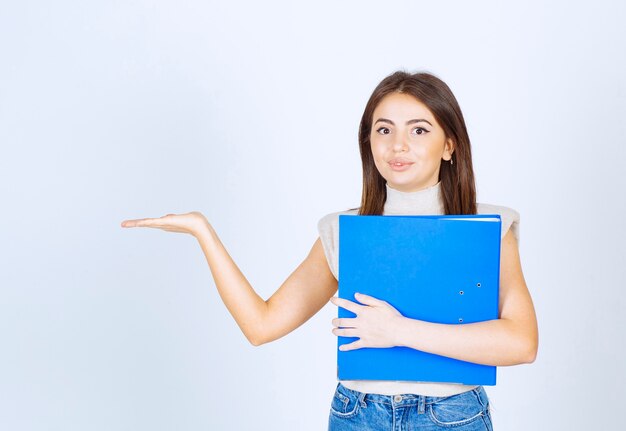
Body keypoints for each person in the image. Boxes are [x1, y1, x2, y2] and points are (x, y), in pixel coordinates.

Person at [121, 70, 539, 431]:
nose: (397, 145)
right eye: (383, 129)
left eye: (418, 129)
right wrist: (203, 232)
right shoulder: (343, 231)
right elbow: (261, 325)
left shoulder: (491, 228)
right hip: (357, 413)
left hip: (451, 415)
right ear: (369, 143)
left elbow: (522, 343)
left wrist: (398, 331)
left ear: (449, 145)